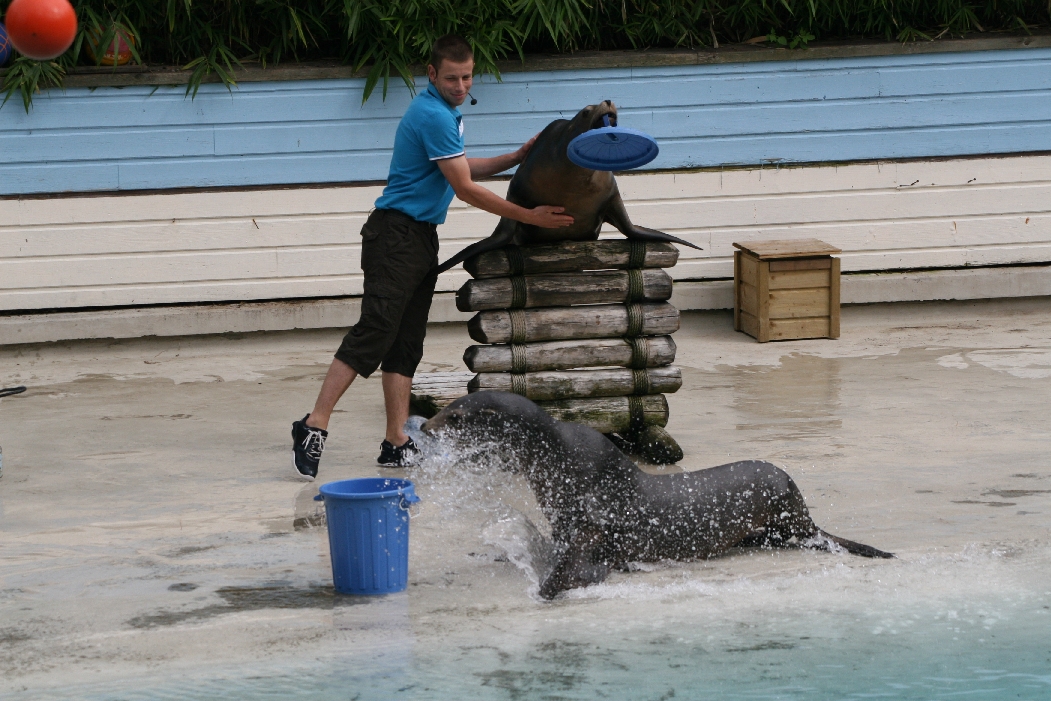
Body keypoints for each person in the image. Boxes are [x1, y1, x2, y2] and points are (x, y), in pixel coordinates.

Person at [291, 34, 573, 479]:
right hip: (395, 236)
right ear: (432, 74)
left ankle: (396, 441)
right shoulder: (431, 114)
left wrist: (516, 157)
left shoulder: (446, 113)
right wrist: (527, 215)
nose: (461, 85)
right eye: (452, 78)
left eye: (467, 76)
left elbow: (459, 167)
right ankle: (313, 425)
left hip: (419, 238)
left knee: (406, 344)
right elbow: (463, 188)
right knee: (376, 331)